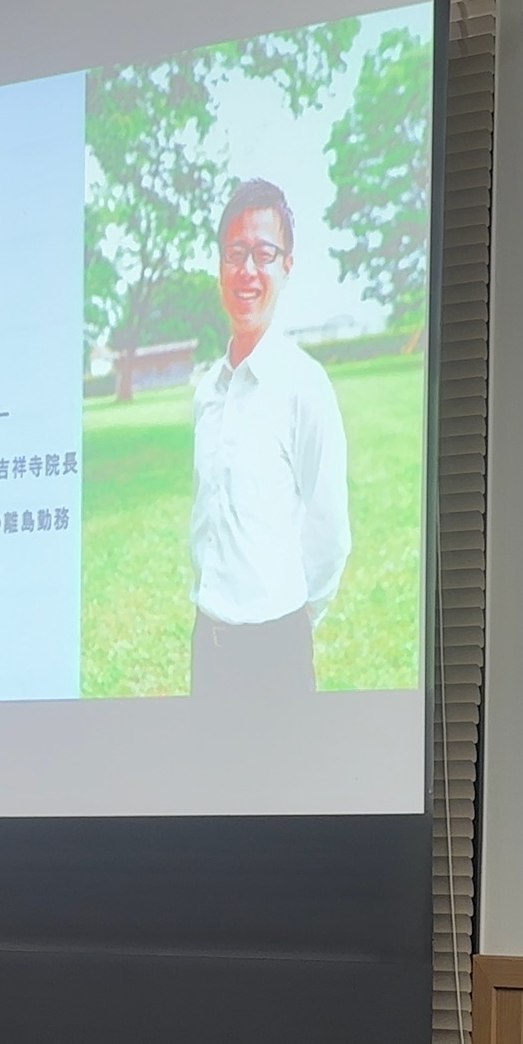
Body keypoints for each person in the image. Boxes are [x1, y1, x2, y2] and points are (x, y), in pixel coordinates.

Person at [187, 177, 349, 695]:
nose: (248, 271)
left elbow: (329, 533)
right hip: (207, 642)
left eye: (264, 254)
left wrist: (293, 620)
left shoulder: (305, 387)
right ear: (220, 265)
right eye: (235, 253)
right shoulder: (207, 392)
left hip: (277, 650)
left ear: (287, 265)